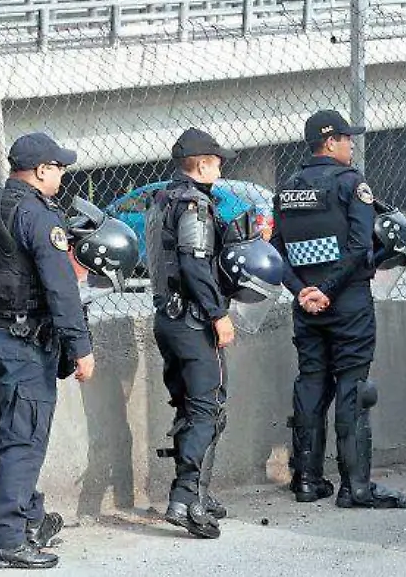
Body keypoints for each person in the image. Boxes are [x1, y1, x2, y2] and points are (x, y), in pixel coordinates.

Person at [0, 132, 95, 569]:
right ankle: (7, 541)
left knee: (10, 436)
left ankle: (30, 519)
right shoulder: (38, 216)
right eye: (58, 168)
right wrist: (81, 348)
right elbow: (62, 289)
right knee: (24, 441)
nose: (60, 176)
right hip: (24, 345)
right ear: (40, 171)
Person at [272, 109, 406, 509]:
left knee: (311, 383)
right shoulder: (352, 184)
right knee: (353, 387)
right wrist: (328, 290)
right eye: (347, 138)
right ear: (330, 142)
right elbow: (358, 249)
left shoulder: (288, 188)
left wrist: (302, 291)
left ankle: (307, 481)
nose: (352, 144)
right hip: (346, 302)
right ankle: (356, 487)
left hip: (307, 307)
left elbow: (278, 251)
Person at [145, 128, 238, 539]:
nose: (220, 168)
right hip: (193, 320)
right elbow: (195, 264)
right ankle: (186, 498)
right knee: (207, 407)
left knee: (189, 407)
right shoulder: (195, 205)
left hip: (167, 318)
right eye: (217, 161)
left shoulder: (161, 199)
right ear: (201, 164)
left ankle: (199, 489)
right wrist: (218, 314)